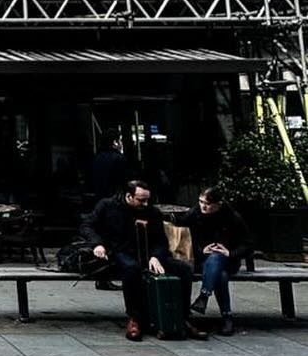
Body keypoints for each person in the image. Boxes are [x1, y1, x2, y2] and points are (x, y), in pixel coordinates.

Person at [80, 179, 207, 342]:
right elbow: (87, 226)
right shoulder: (107, 206)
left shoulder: (152, 212)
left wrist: (156, 256)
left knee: (183, 269)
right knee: (131, 268)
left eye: (147, 199)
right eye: (141, 200)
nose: (145, 204)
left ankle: (182, 318)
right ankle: (135, 318)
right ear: (129, 196)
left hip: (149, 253)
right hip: (120, 251)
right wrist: (98, 244)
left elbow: (161, 240)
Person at [181, 185, 250, 337]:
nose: (203, 206)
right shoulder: (194, 214)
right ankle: (226, 316)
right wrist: (200, 250)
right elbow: (183, 240)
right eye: (201, 202)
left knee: (217, 256)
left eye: (207, 204)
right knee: (221, 275)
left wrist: (229, 252)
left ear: (218, 204)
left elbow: (247, 244)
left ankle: (204, 296)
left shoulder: (232, 217)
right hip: (201, 260)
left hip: (228, 260)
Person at [89, 131, 127, 201]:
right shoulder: (119, 158)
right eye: (120, 140)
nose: (121, 143)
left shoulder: (97, 158)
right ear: (115, 142)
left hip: (100, 197)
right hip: (115, 198)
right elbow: (122, 181)